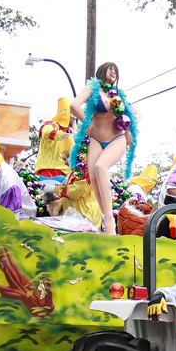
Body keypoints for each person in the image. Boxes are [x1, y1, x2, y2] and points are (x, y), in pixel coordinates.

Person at [70, 62, 141, 236]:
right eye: (111, 69)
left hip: (116, 139)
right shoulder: (92, 89)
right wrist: (86, 123)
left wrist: (128, 128)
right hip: (95, 139)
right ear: (103, 71)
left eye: (116, 70)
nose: (114, 72)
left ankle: (109, 221)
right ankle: (106, 219)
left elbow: (137, 114)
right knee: (93, 177)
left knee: (100, 166)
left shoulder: (119, 95)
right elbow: (73, 106)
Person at [34, 98, 74, 186]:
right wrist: (62, 135)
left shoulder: (70, 132)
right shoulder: (51, 125)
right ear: (67, 115)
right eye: (72, 117)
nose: (74, 120)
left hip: (66, 173)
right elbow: (46, 132)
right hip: (49, 171)